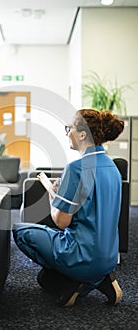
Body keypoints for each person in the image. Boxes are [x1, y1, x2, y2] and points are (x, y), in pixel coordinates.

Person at [13, 108, 125, 307]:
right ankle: (100, 278)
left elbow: (61, 222)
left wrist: (52, 195)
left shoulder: (75, 168)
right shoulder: (113, 167)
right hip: (109, 257)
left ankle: (74, 281)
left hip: (82, 256)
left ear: (82, 134)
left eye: (69, 128)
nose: (67, 133)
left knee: (21, 232)